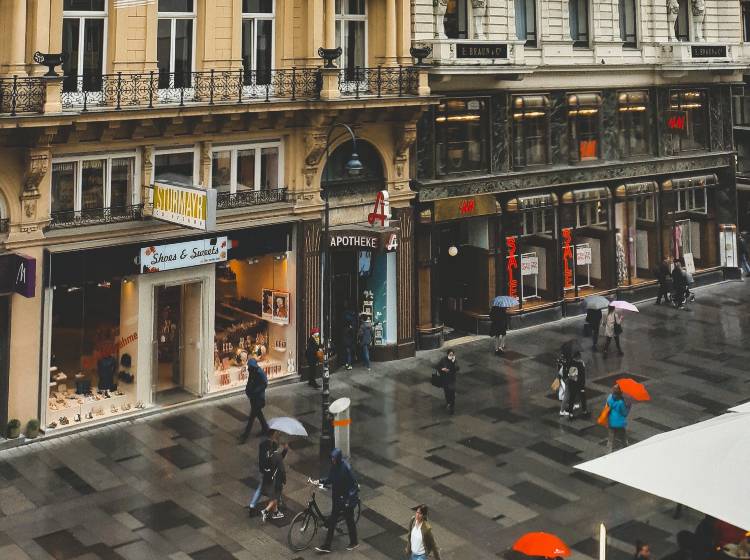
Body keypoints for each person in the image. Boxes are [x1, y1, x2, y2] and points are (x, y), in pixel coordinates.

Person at [313, 448, 359, 553]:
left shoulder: (346, 468)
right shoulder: (334, 467)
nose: (332, 460)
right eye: (332, 458)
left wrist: (348, 499)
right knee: (333, 521)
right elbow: (330, 479)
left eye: (334, 458)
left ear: (338, 458)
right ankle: (327, 546)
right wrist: (320, 481)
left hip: (345, 499)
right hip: (337, 498)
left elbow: (354, 484)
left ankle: (354, 542)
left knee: (349, 521)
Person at [247, 431, 284, 515]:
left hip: (267, 470)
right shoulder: (267, 445)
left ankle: (253, 505)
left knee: (265, 488)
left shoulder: (269, 444)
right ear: (272, 434)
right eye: (276, 433)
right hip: (267, 471)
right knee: (270, 488)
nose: (277, 434)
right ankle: (272, 506)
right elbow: (272, 458)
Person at [238, 359, 269, 443]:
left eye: (250, 367)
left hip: (258, 398)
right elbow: (249, 382)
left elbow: (265, 384)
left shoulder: (260, 373)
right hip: (253, 397)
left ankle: (245, 436)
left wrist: (255, 391)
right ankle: (266, 429)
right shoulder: (252, 372)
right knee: (259, 414)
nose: (249, 368)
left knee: (252, 417)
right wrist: (248, 390)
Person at [259, 434, 289, 522]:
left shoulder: (270, 453)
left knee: (275, 496)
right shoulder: (277, 456)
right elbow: (281, 468)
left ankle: (276, 512)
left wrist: (285, 450)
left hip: (270, 478)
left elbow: (279, 458)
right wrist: (284, 480)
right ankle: (265, 510)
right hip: (277, 480)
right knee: (275, 497)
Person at [606, 384, 631, 452]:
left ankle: (609, 452)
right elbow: (624, 413)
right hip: (619, 424)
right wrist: (628, 407)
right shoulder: (620, 402)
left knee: (611, 439)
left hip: (611, 422)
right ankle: (626, 450)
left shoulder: (609, 397)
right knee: (623, 438)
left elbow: (607, 407)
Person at [566, 350, 588, 419]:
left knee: (572, 398)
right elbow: (582, 376)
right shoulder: (580, 364)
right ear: (578, 357)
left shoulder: (570, 362)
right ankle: (584, 411)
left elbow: (569, 374)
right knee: (583, 397)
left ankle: (570, 413)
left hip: (571, 383)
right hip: (579, 384)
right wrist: (582, 385)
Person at [437, 349, 459, 415]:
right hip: (445, 379)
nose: (451, 356)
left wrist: (453, 362)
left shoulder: (454, 361)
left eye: (452, 355)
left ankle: (452, 406)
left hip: (452, 380)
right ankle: (448, 402)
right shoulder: (443, 360)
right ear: (448, 354)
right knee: (447, 392)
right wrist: (442, 369)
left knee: (452, 393)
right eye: (450, 354)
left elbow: (457, 368)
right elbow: (438, 366)